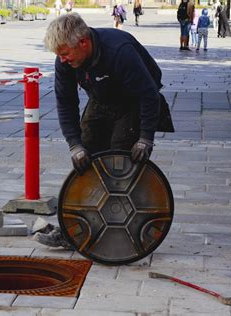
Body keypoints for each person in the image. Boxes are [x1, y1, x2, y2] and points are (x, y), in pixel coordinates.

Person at [37, 13, 174, 248]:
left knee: (118, 165)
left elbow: (148, 95)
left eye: (65, 53)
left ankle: (125, 232)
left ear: (83, 42)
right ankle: (73, 232)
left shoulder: (119, 51)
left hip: (133, 103)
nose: (62, 60)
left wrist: (145, 139)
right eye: (58, 55)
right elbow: (66, 103)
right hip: (101, 101)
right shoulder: (65, 61)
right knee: (85, 165)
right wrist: (75, 145)